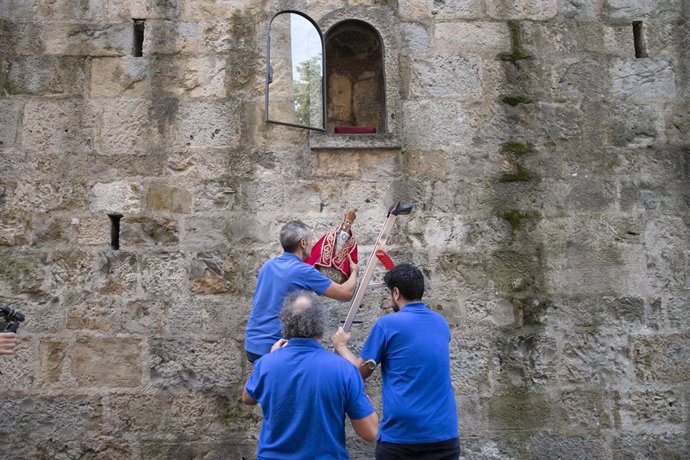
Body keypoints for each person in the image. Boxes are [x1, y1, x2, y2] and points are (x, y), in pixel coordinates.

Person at [332, 263, 460, 460]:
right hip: (444, 436)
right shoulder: (440, 323)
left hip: (402, 439)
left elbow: (359, 373)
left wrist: (341, 347)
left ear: (396, 293)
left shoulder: (387, 325)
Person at [242, 291, 378, 459]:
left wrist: (269, 357)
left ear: (285, 323)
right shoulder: (343, 369)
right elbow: (370, 432)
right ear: (321, 326)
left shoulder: (266, 364)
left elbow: (248, 398)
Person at [244, 220, 359, 363]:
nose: (312, 244)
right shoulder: (303, 271)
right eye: (311, 241)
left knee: (262, 383)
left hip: (253, 342)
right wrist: (354, 270)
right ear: (303, 243)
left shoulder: (268, 265)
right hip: (275, 345)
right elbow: (346, 293)